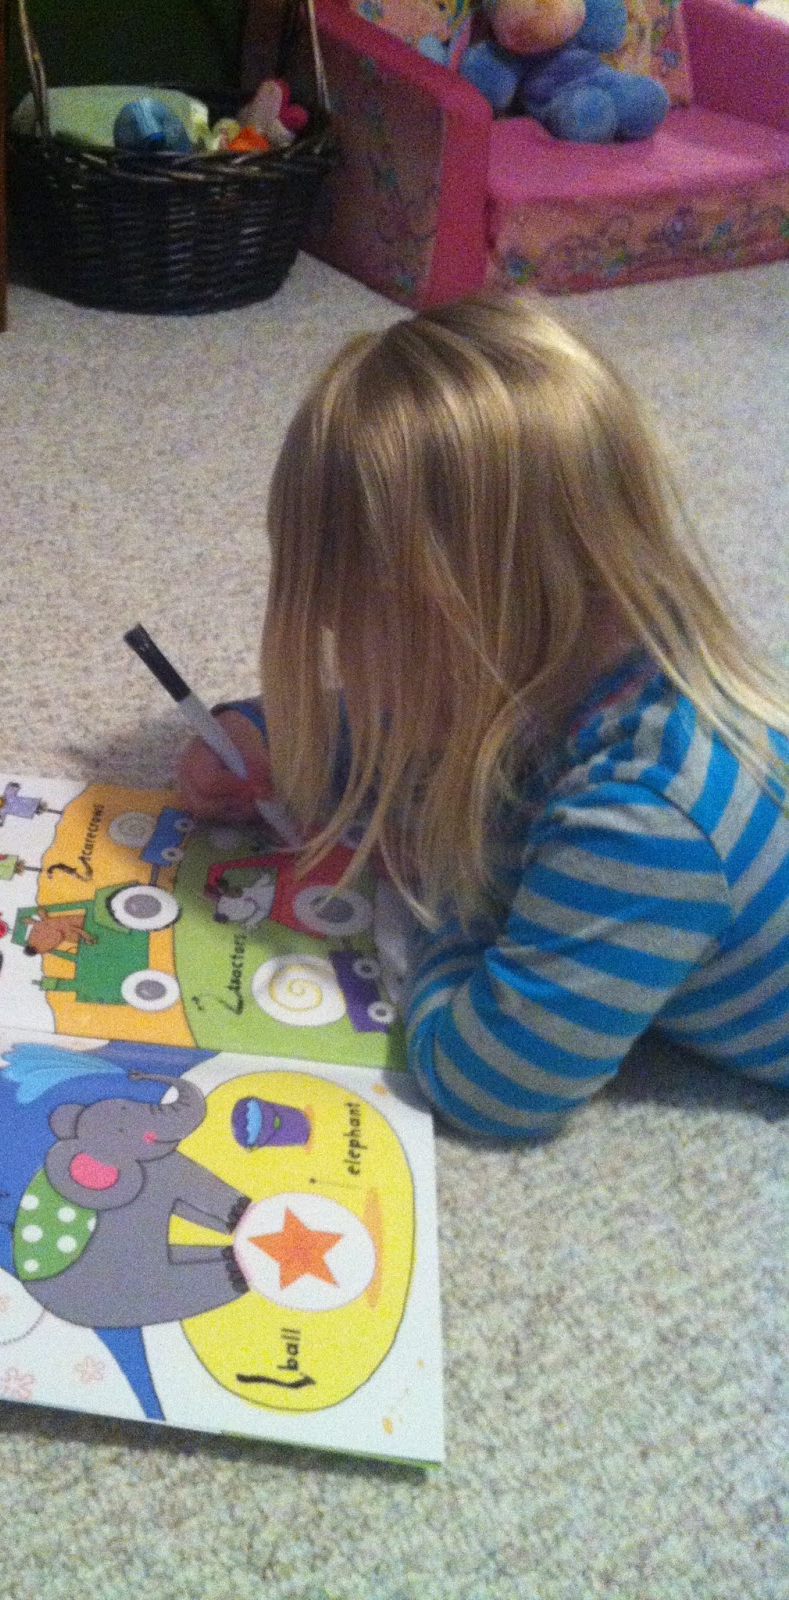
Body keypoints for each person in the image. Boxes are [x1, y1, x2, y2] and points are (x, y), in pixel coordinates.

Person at [177, 293, 789, 1138]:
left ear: (459, 617)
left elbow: (494, 1087)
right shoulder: (574, 656)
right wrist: (265, 731)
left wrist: (439, 886)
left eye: (348, 628)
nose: (338, 653)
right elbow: (421, 714)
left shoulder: (643, 821)